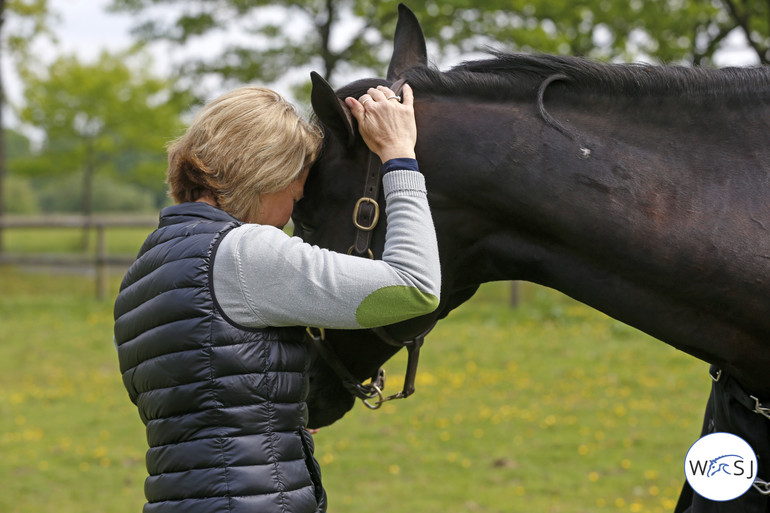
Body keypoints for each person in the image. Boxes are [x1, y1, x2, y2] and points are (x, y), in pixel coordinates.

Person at [113, 82, 440, 513]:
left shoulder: (143, 274)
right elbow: (414, 287)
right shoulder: (244, 252)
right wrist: (399, 155)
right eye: (294, 193)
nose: (290, 215)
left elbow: (207, 404)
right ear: (265, 175)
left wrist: (276, 420)